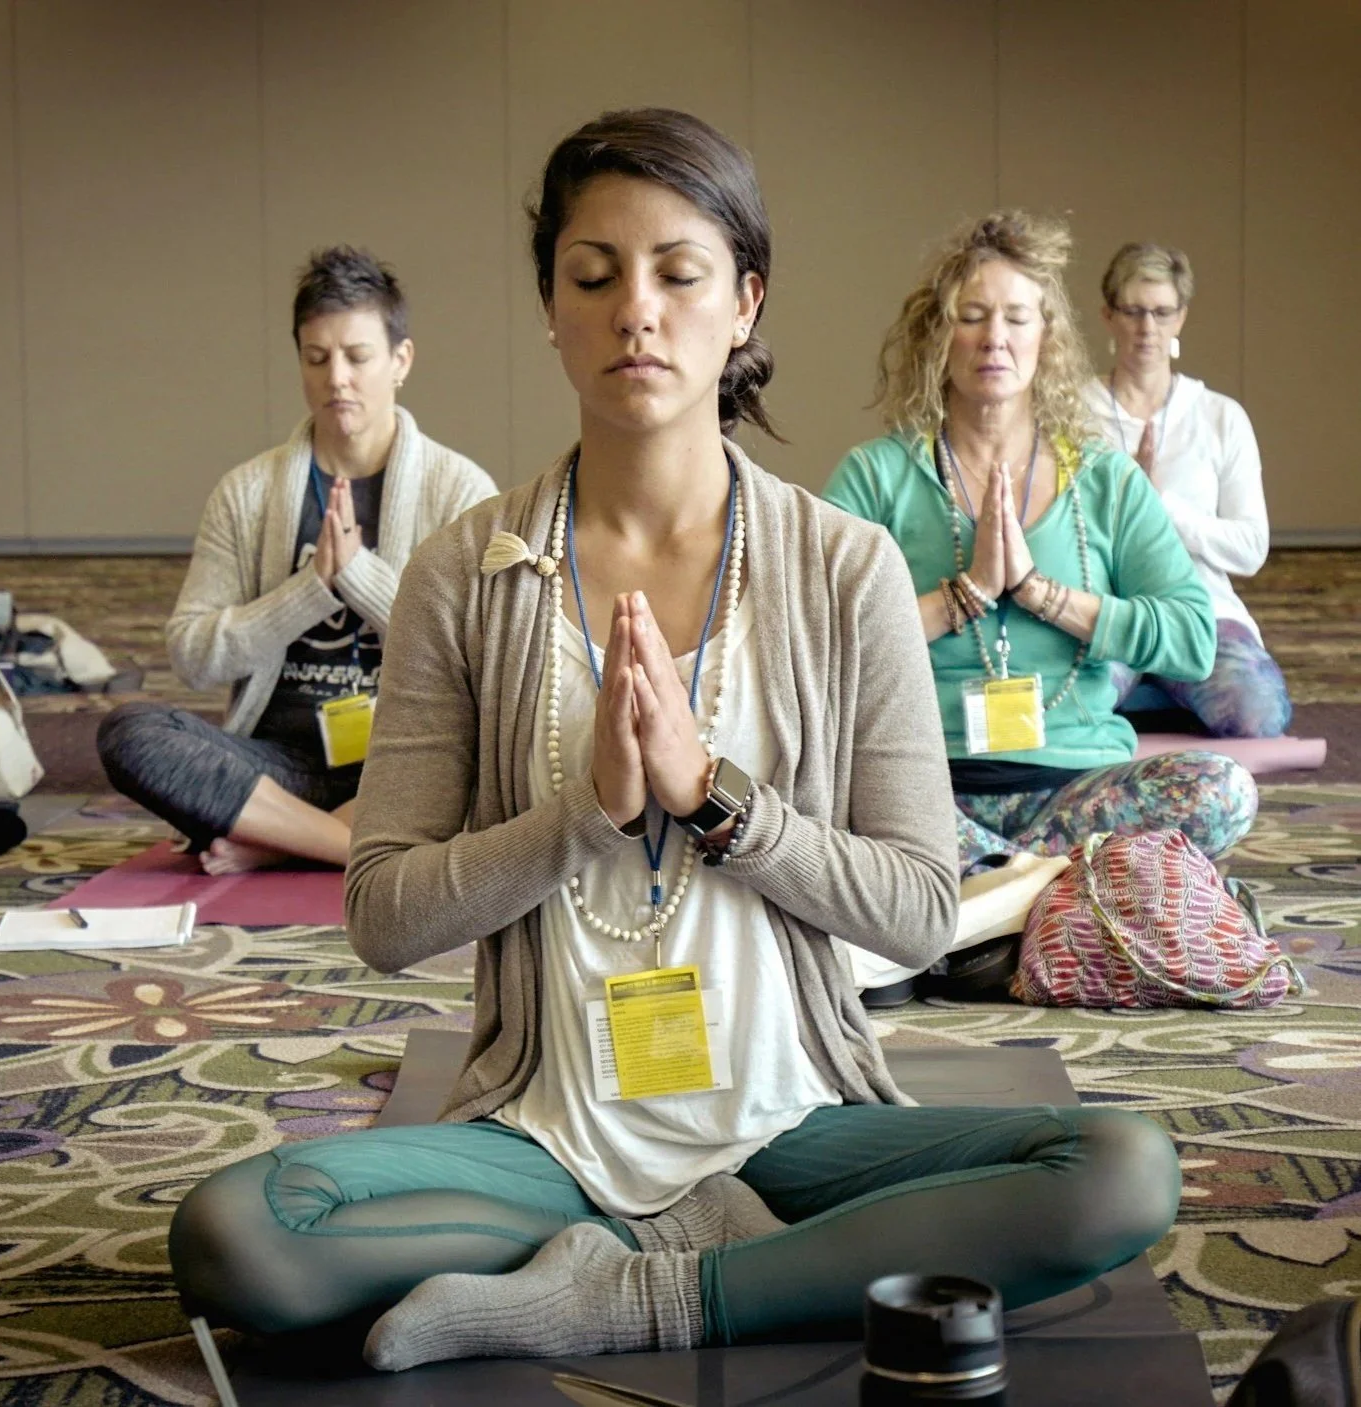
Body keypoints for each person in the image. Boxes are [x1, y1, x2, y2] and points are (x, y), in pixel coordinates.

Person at [167, 112, 1180, 1369]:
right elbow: (382, 915)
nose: (634, 311)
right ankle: (733, 1262)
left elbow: (919, 911)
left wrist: (720, 801)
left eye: (678, 274)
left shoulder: (841, 567)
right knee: (239, 1235)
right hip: (545, 1133)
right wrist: (577, 820)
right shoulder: (458, 576)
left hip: (790, 1123)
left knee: (1121, 1171)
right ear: (551, 305)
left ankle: (649, 1295)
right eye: (593, 277)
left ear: (744, 302)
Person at [824, 212, 1258, 888]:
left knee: (1221, 789)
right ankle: (1058, 888)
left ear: (1045, 336)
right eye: (970, 315)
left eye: (1016, 318)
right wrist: (961, 595)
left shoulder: (1104, 477)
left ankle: (982, 892)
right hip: (924, 789)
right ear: (938, 334)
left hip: (1073, 787)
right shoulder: (875, 475)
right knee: (814, 798)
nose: (993, 337)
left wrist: (1042, 594)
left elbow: (1191, 639)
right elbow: (818, 645)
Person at [97, 247, 496, 873]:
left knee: (499, 760)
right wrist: (308, 591)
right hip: (278, 769)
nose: (337, 377)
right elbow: (194, 654)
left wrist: (359, 578)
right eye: (318, 358)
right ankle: (338, 843)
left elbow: (478, 657)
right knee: (130, 734)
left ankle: (276, 843)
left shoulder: (459, 490)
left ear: (400, 361)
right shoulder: (246, 493)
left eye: (357, 357)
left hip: (402, 763)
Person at [1086, 242, 1291, 738]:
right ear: (1108, 316)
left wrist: (1160, 510)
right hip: (1108, 610)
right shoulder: (1071, 412)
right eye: (1133, 311)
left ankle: (1155, 692)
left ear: (1181, 318)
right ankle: (1155, 693)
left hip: (1199, 612)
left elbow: (1250, 548)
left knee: (1259, 716)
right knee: (1057, 716)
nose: (1147, 328)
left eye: (1161, 312)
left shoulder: (1219, 416)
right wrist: (1120, 506)